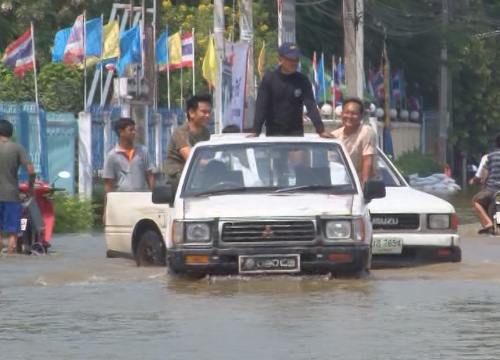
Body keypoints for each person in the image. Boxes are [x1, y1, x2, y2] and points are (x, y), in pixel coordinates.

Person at [249, 42, 332, 138]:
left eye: (296, 59)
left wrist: (321, 130)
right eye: (290, 60)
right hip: (273, 134)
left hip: (295, 133)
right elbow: (261, 107)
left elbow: (311, 106)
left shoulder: (302, 81)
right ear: (280, 58)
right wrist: (256, 131)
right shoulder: (269, 79)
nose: (294, 63)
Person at [165, 93, 212, 192]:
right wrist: (212, 163)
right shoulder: (181, 132)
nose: (207, 115)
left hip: (196, 174)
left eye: (209, 112)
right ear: (191, 113)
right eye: (203, 112)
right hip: (178, 175)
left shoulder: (206, 133)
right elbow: (192, 159)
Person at [0, 119, 34, 254]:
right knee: (13, 229)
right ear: (10, 133)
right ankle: (10, 253)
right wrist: (31, 186)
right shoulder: (17, 148)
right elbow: (30, 169)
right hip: (12, 195)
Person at [331, 97, 379, 186]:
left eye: (354, 114)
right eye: (347, 113)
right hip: (342, 185)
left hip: (367, 185)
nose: (349, 116)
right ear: (341, 114)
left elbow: (367, 160)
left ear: (361, 116)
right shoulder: (335, 136)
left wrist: (363, 189)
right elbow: (331, 164)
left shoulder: (366, 131)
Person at [103, 117, 155, 194]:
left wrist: (154, 196)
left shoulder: (142, 151)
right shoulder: (112, 155)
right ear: (121, 132)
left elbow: (149, 175)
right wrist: (107, 203)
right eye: (130, 130)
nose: (134, 132)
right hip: (122, 198)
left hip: (141, 196)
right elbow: (109, 183)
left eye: (134, 130)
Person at [472, 134, 500, 234]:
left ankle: (488, 223)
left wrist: (484, 187)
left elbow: (484, 176)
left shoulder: (490, 156)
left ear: (495, 144)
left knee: (476, 200)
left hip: (492, 189)